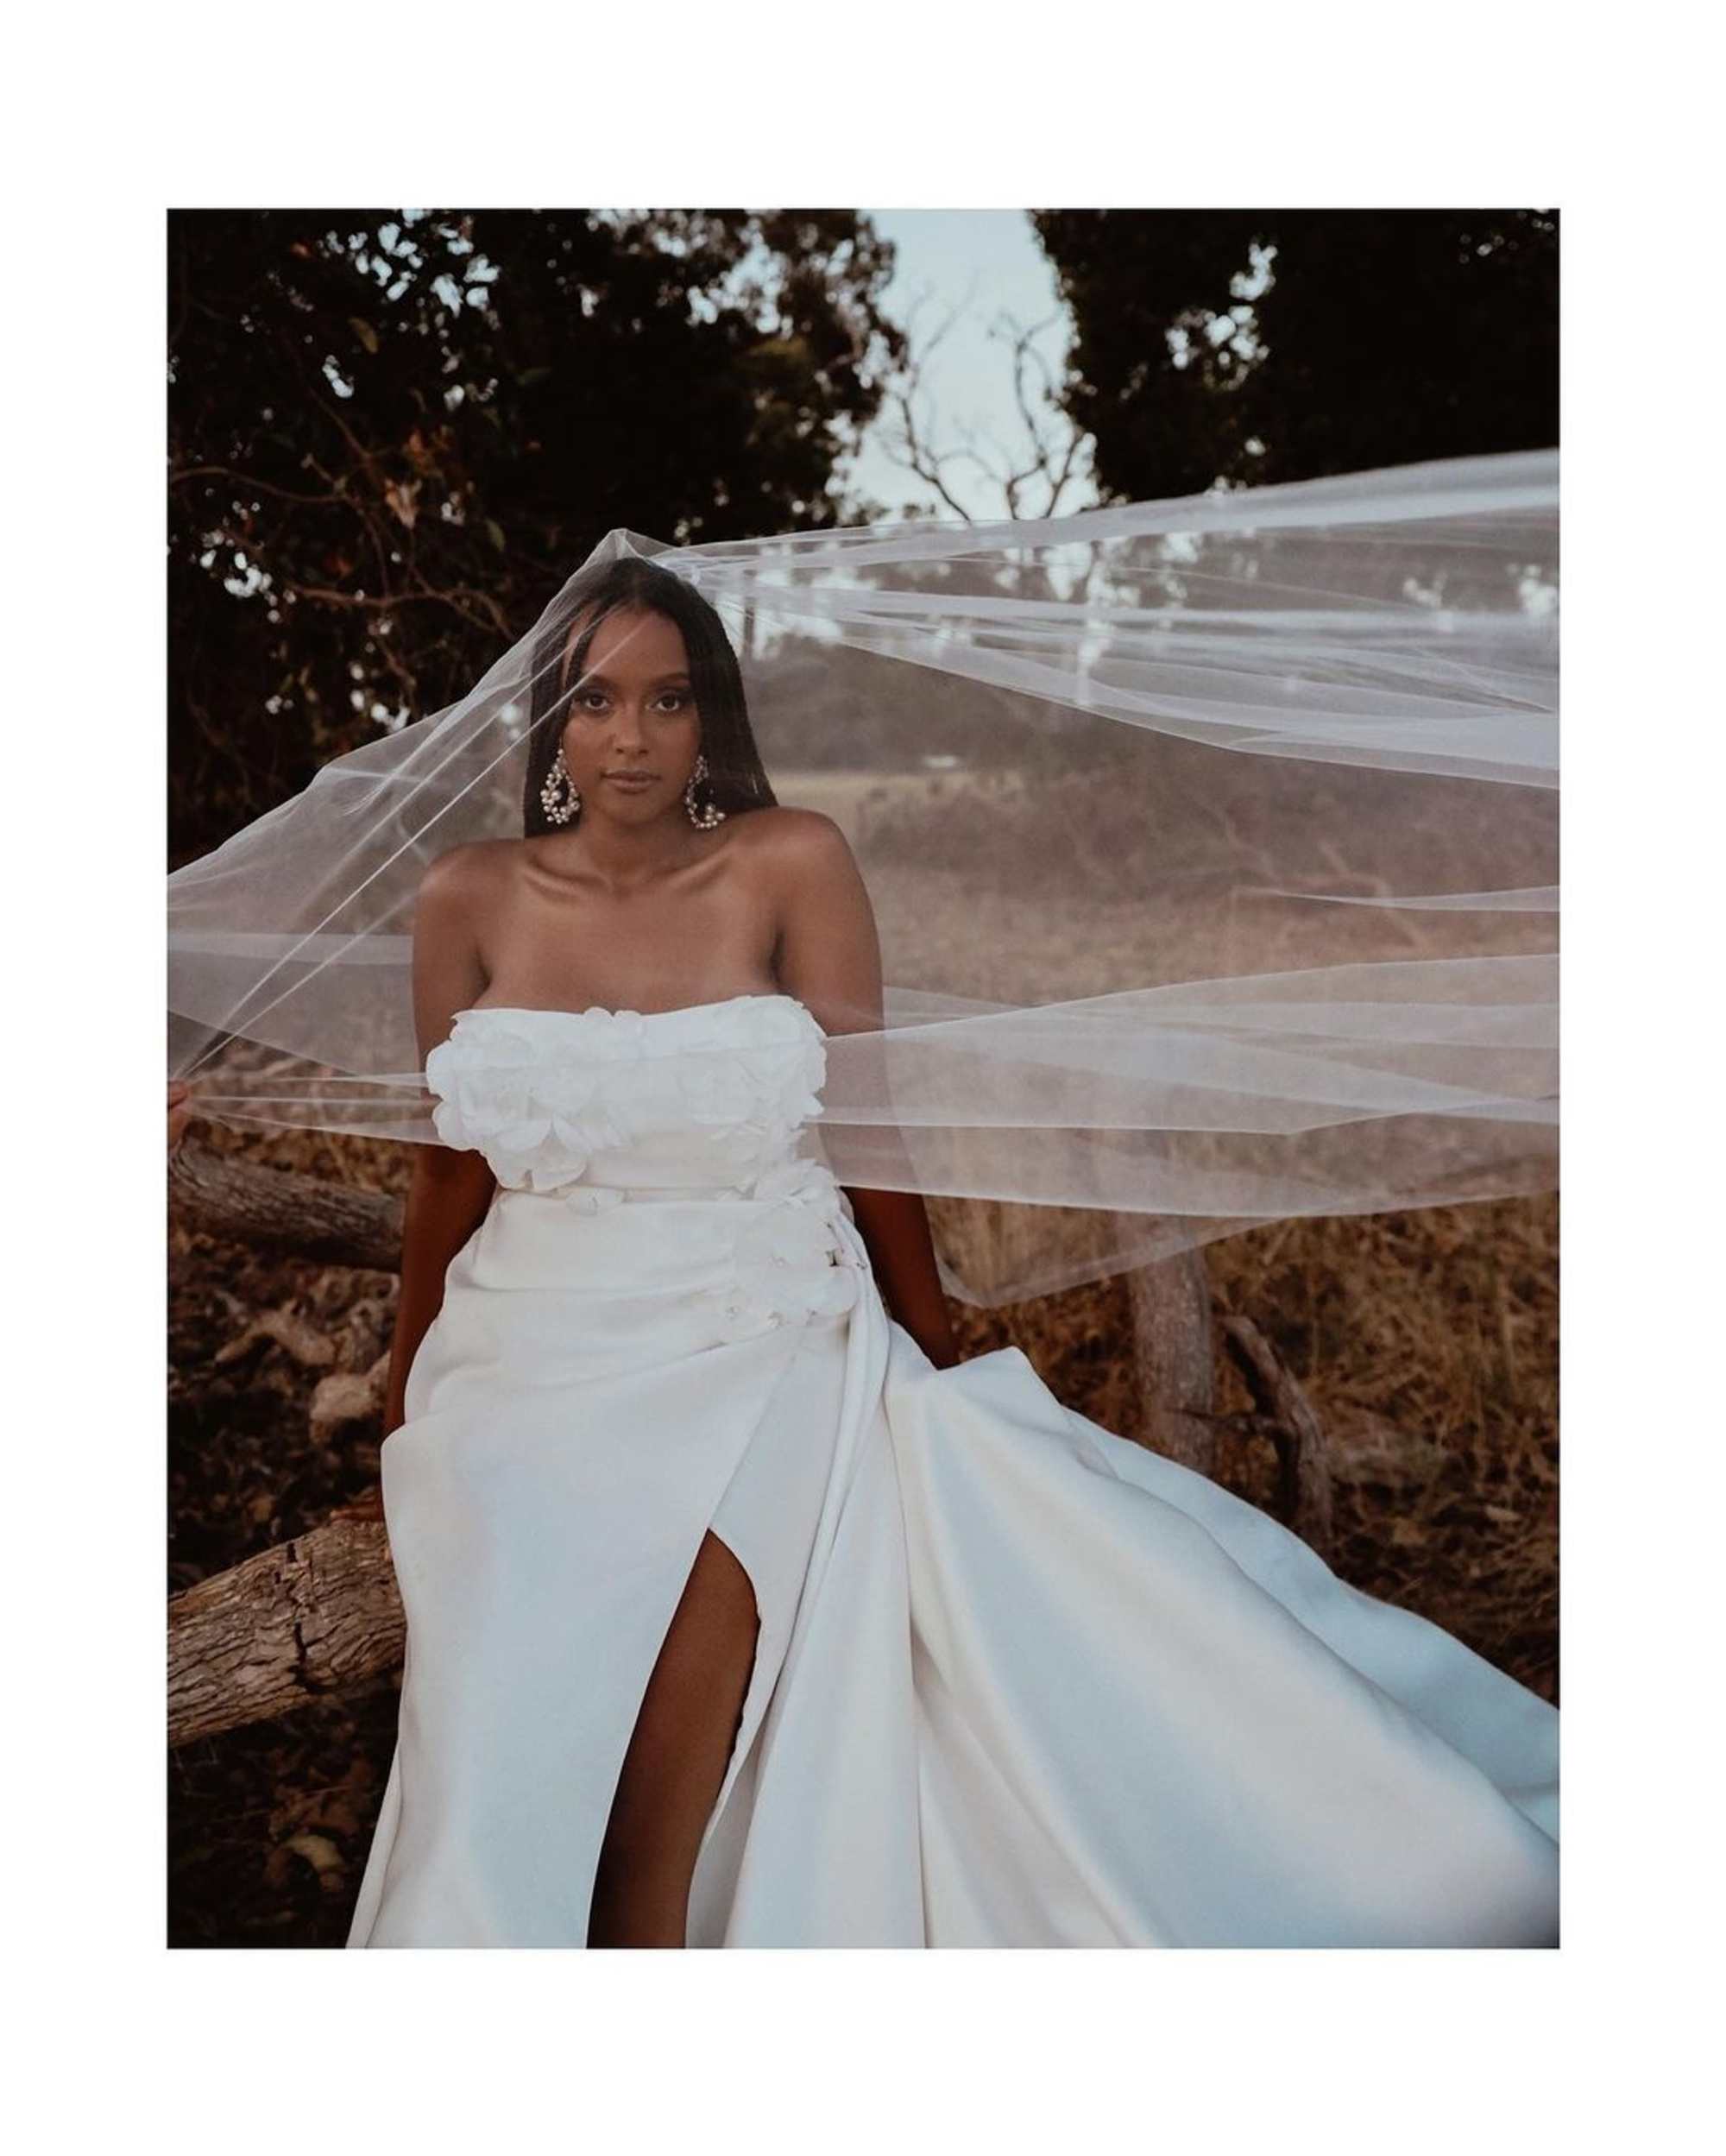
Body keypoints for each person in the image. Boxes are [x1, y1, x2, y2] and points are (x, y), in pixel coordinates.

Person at [336, 558, 1559, 1950]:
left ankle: (645, 1953)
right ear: (551, 721)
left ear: (708, 716)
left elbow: (871, 1123)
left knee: (674, 1702)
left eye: (668, 699)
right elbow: (443, 1173)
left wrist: (929, 1327)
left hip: (765, 1320)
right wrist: (397, 1406)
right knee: (512, 1705)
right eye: (598, 699)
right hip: (528, 1347)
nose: (631, 737)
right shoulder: (466, 895)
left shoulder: (788, 859)